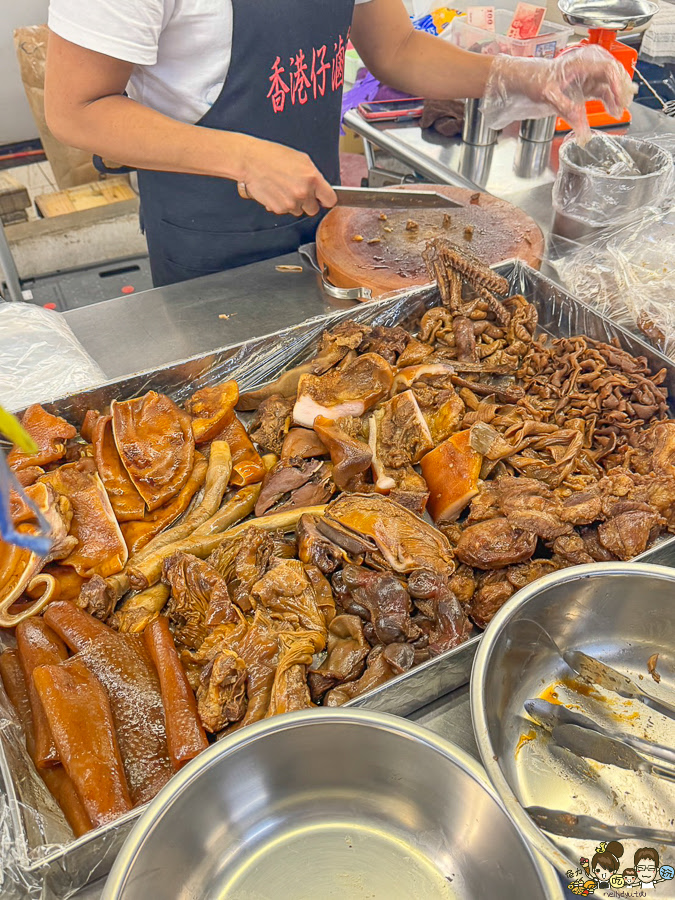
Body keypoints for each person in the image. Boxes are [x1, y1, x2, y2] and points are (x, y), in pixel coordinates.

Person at [44, 0, 635, 287]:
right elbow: (76, 108)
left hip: (327, 221)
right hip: (209, 241)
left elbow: (397, 49)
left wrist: (529, 77)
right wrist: (243, 157)